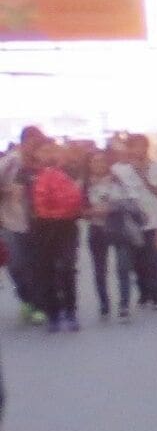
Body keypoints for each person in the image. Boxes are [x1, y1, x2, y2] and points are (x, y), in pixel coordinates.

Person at [26, 140, 86, 333]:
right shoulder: (26, 173)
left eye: (51, 150)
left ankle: (70, 311)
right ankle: (53, 313)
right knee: (47, 270)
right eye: (43, 150)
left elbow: (79, 197)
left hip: (66, 225)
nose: (47, 154)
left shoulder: (71, 171)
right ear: (37, 153)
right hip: (41, 227)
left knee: (67, 268)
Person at [83, 150, 140, 321]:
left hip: (118, 228)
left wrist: (111, 208)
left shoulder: (117, 181)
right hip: (96, 229)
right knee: (100, 269)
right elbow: (80, 208)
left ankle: (124, 305)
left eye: (101, 161)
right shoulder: (85, 184)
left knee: (123, 267)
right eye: (94, 161)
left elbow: (130, 201)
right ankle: (104, 304)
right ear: (89, 164)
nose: (98, 164)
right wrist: (92, 212)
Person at [112, 138, 157, 311]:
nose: (138, 151)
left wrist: (144, 177)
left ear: (146, 148)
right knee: (138, 263)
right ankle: (144, 294)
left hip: (155, 220)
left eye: (141, 147)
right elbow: (116, 194)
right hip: (132, 223)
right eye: (134, 147)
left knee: (156, 261)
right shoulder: (119, 170)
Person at [0, 126, 45, 323]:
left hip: (39, 220)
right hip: (12, 220)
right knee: (17, 264)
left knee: (36, 264)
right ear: (25, 141)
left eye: (39, 144)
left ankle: (37, 304)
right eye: (33, 143)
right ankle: (27, 299)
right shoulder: (11, 161)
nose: (36, 147)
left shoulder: (40, 163)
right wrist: (8, 191)